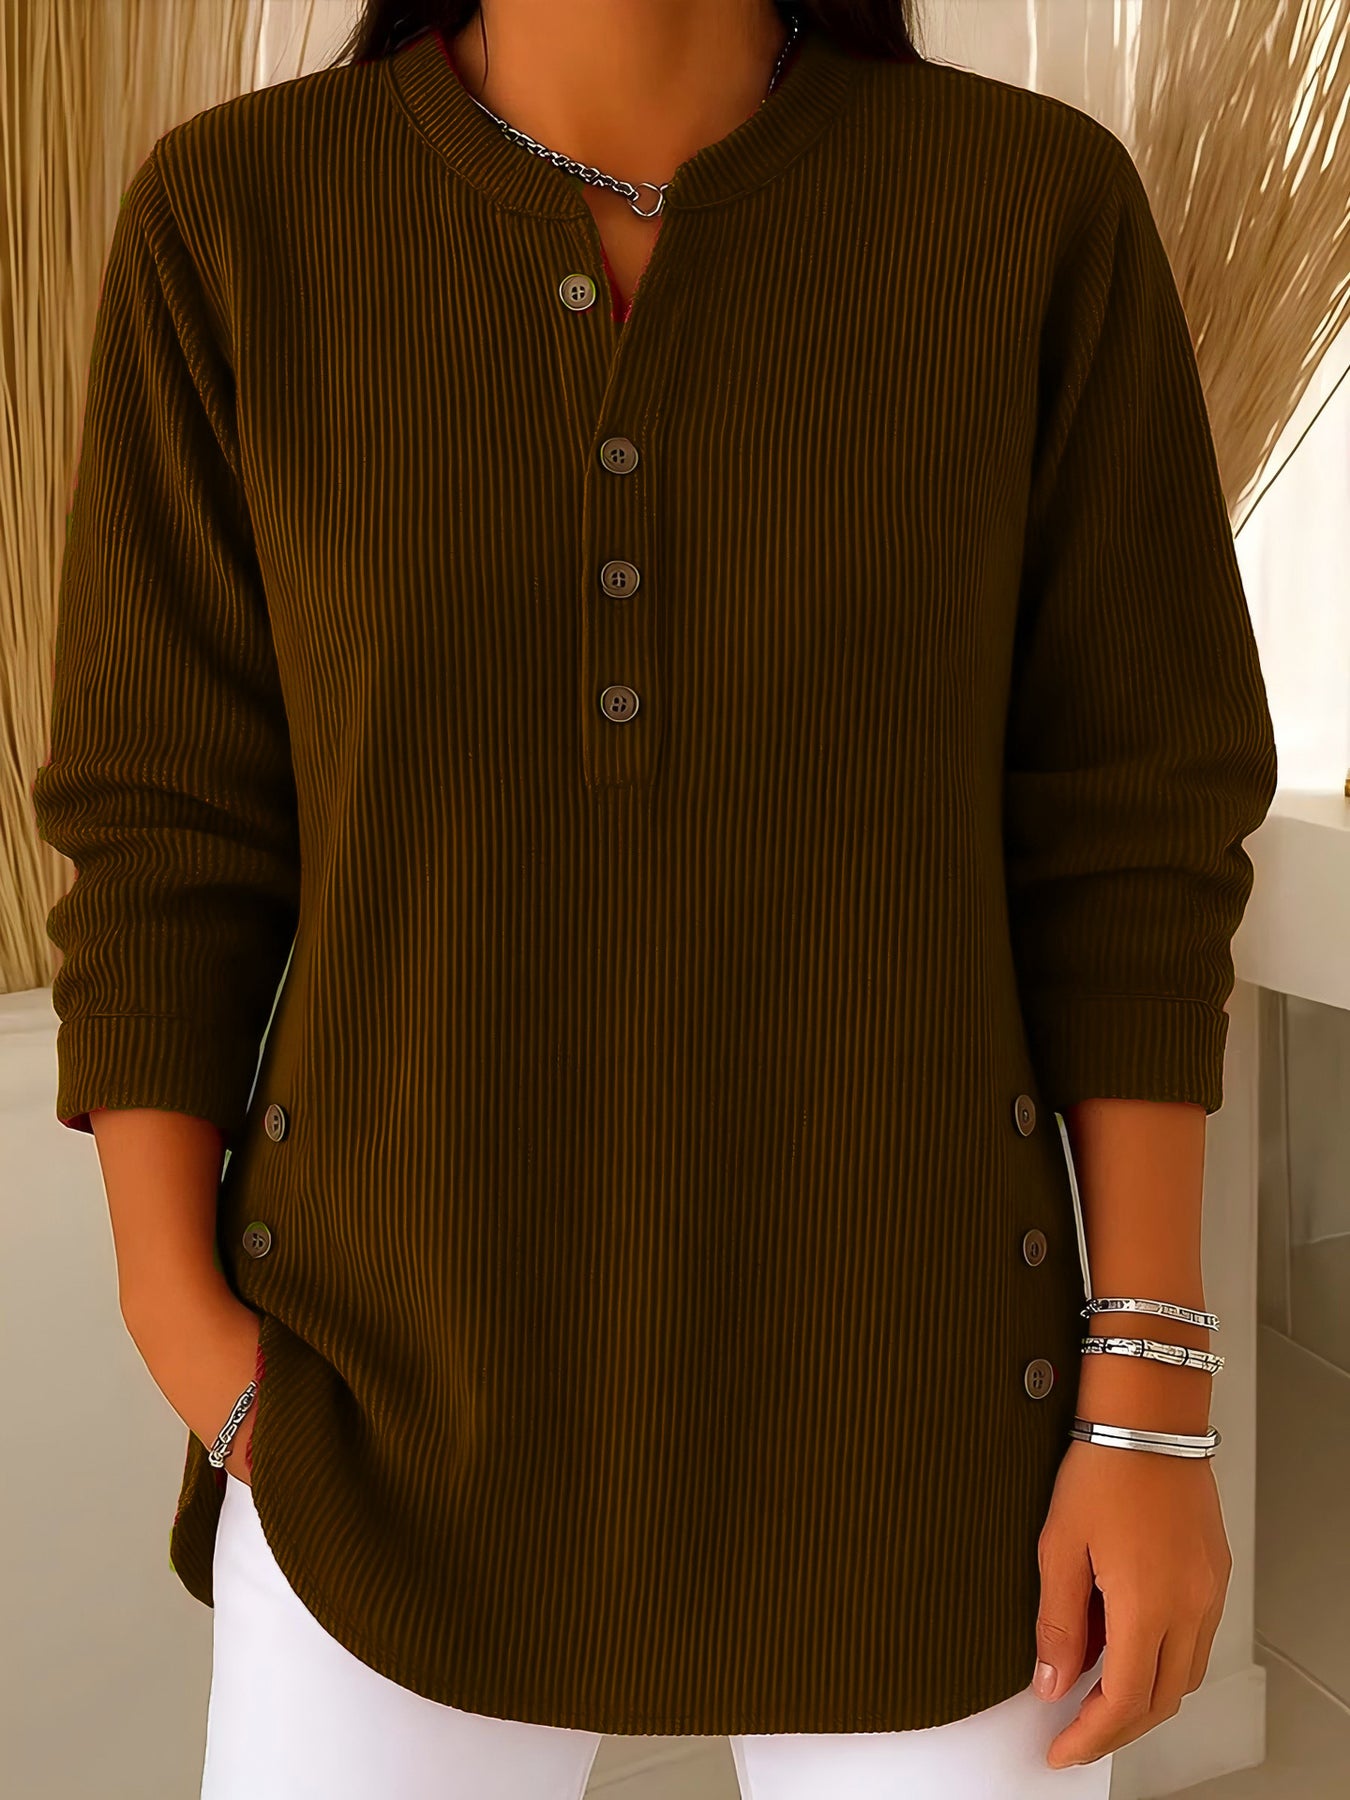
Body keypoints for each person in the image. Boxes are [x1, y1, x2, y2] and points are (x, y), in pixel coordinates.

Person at [31, 1, 1279, 1795]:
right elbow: (165, 831)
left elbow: (1130, 839)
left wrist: (1147, 1399)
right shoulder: (238, 218)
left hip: (929, 1427)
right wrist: (191, 1335)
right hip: (375, 1422)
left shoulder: (1026, 212)